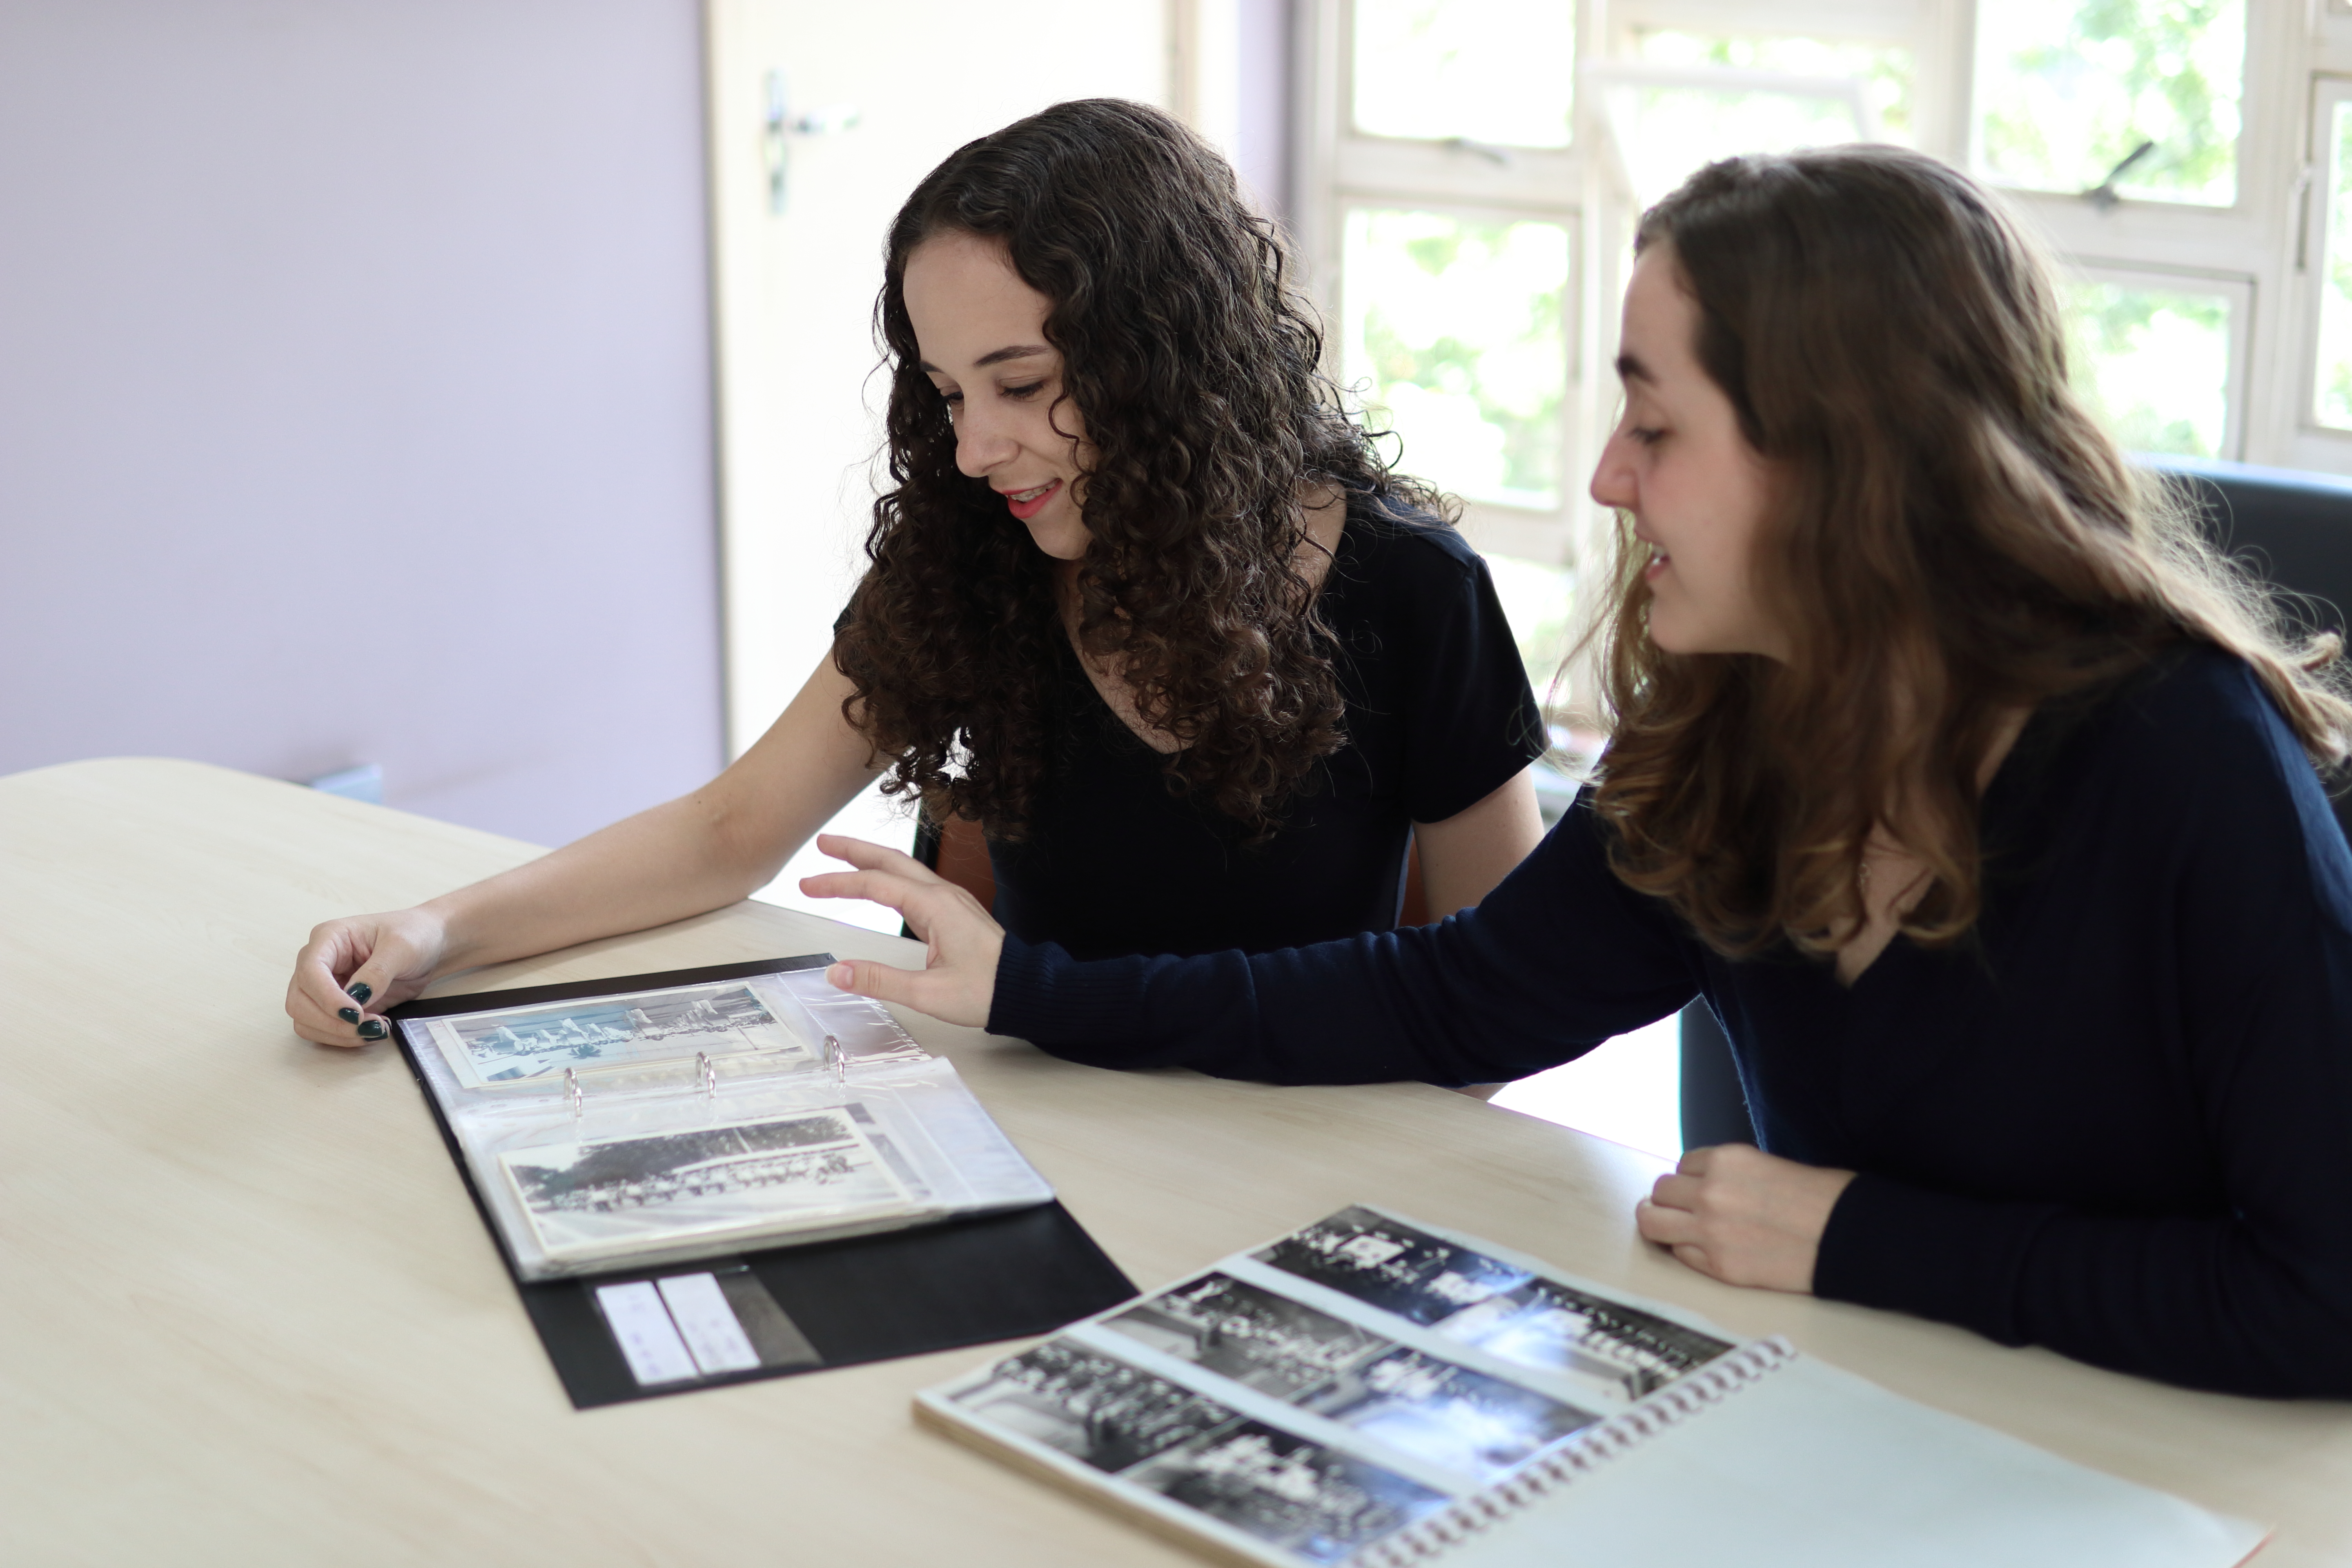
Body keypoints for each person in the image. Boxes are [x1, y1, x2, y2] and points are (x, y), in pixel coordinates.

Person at [804, 145, 2352, 1399]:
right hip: (1878, 1403)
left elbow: (2324, 1302)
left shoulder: (2185, 757)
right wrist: (1034, 992)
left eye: (1657, 423)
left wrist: (1866, 1238)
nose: (1608, 475)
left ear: (1839, 464)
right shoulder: (1733, 730)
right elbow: (1449, 995)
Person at [284, 99, 1545, 1046]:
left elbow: (1500, 999)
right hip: (1037, 1126)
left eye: (1023, 386)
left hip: (1301, 1147)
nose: (976, 447)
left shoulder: (1417, 592)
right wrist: (435, 931)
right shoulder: (976, 555)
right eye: (947, 393)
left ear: (1166, 363)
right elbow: (731, 831)